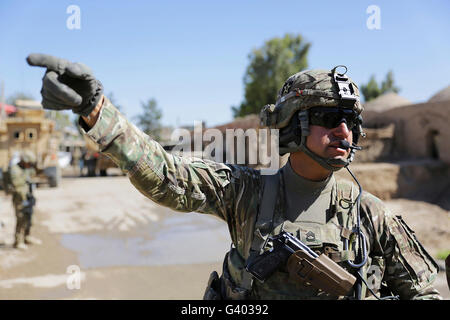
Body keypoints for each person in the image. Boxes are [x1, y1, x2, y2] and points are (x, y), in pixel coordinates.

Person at [26, 53, 442, 300]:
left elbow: (425, 294)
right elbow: (167, 175)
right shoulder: (247, 192)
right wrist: (98, 112)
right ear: (293, 126)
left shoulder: (372, 216)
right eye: (330, 118)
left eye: (350, 120)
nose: (344, 131)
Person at [9, 150, 41, 250]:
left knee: (29, 219)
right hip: (20, 199)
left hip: (28, 197)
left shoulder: (27, 168)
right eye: (29, 163)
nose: (29, 165)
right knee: (21, 220)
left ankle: (27, 237)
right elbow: (17, 185)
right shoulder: (15, 169)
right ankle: (18, 241)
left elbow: (34, 173)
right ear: (23, 161)